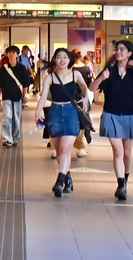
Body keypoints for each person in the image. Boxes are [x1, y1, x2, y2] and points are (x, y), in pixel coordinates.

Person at [89, 40, 133, 201]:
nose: (118, 52)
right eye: (117, 49)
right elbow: (92, 88)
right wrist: (102, 77)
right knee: (118, 151)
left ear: (129, 53)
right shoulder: (109, 71)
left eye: (122, 50)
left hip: (130, 113)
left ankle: (125, 179)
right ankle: (120, 184)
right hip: (111, 113)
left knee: (127, 153)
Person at [34, 48, 90, 197]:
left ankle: (59, 181)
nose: (62, 60)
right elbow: (44, 96)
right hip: (55, 113)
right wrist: (37, 111)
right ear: (54, 59)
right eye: (59, 57)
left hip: (71, 113)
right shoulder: (50, 77)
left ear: (69, 60)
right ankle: (67, 177)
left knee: (65, 149)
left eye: (65, 57)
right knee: (59, 151)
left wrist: (86, 97)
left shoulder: (75, 74)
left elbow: (84, 87)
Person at [0, 46, 32, 147]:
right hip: (6, 96)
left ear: (17, 54)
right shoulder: (4, 68)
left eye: (13, 52)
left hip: (17, 96)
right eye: (9, 52)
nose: (11, 54)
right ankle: (7, 138)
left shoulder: (21, 68)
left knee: (16, 117)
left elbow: (25, 83)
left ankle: (15, 137)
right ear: (7, 54)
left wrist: (25, 95)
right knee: (7, 116)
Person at [71, 49, 93, 157]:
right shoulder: (85, 69)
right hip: (81, 96)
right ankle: (81, 145)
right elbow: (88, 84)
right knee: (82, 118)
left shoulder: (70, 69)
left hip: (69, 97)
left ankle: (57, 147)